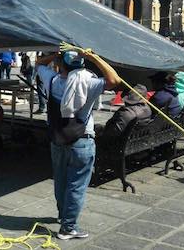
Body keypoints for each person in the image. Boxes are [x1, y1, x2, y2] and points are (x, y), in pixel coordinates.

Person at [36, 50, 120, 240]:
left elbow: (39, 64)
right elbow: (114, 80)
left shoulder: (52, 80)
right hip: (82, 140)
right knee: (76, 185)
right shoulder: (88, 82)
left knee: (61, 180)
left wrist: (55, 56)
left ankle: (62, 216)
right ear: (81, 65)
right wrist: (95, 58)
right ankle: (68, 227)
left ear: (61, 64)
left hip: (58, 139)